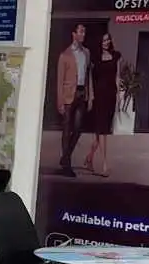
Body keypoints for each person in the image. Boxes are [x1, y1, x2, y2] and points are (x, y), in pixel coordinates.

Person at [56, 23, 93, 177]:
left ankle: (65, 157)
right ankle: (67, 166)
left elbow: (88, 75)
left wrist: (91, 96)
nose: (83, 34)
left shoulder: (86, 53)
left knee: (78, 128)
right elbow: (59, 80)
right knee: (66, 130)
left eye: (84, 31)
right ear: (74, 34)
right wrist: (59, 101)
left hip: (81, 94)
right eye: (81, 31)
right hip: (67, 95)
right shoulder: (65, 55)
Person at [83, 33, 121, 177]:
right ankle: (105, 165)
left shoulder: (116, 56)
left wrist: (119, 96)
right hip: (99, 97)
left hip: (111, 96)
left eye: (107, 39)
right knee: (103, 131)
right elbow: (91, 79)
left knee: (101, 132)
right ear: (100, 42)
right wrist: (91, 97)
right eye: (103, 40)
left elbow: (118, 77)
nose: (106, 42)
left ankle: (89, 158)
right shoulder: (95, 58)